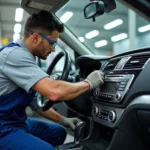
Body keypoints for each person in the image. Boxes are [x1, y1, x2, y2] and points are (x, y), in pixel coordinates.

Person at [0, 10, 104, 150]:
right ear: (36, 38)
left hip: (16, 122)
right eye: (52, 43)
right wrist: (88, 83)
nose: (53, 50)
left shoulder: (27, 56)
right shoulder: (15, 55)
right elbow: (54, 92)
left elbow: (36, 104)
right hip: (3, 128)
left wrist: (63, 120)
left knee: (58, 133)